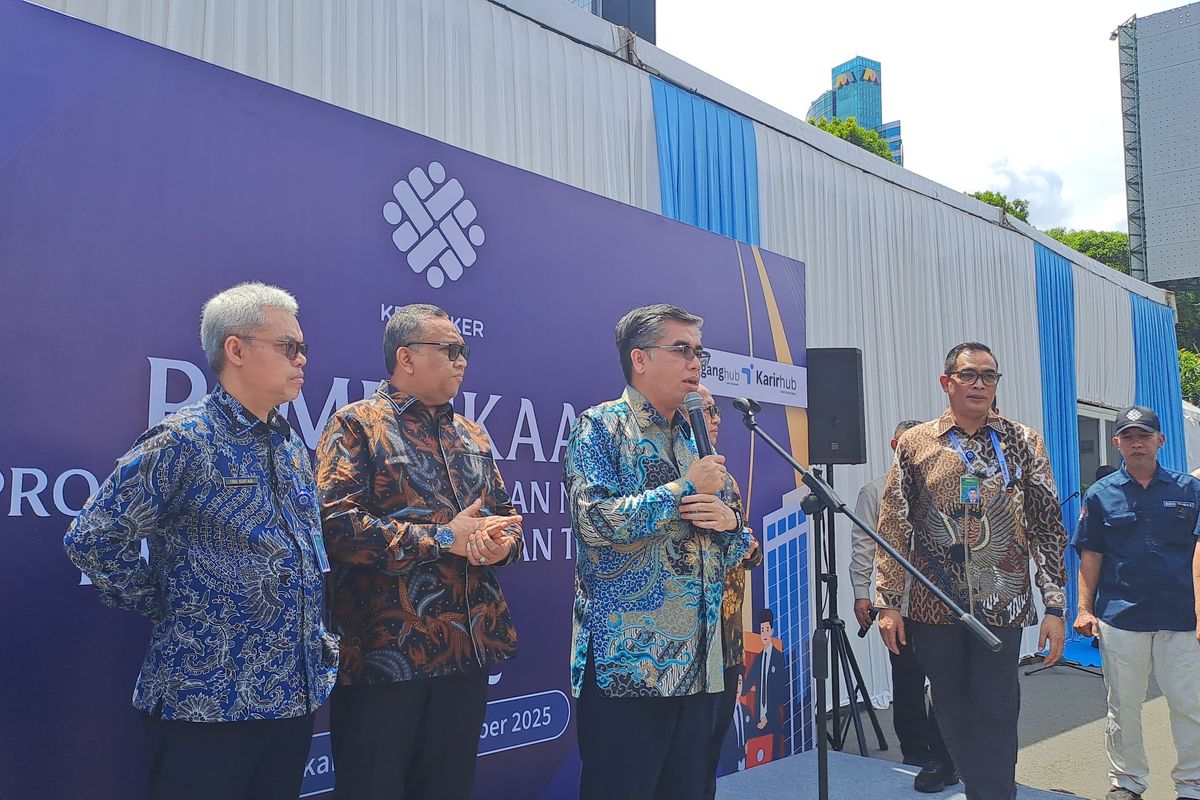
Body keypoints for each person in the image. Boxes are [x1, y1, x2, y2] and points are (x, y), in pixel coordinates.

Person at [64, 282, 338, 800]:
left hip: (288, 700)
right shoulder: (185, 439)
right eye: (289, 347)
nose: (302, 360)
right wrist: (167, 603)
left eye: (303, 348)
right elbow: (94, 538)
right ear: (236, 349)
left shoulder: (294, 449)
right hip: (206, 701)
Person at [315, 303, 523, 800]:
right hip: (386, 656)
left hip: (466, 652)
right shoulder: (356, 425)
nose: (462, 361)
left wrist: (499, 544)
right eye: (449, 350)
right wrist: (443, 538)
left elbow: (505, 515)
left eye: (464, 351)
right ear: (405, 357)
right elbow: (337, 527)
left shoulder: (473, 433)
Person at [564, 303, 751, 800]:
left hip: (703, 666)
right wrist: (682, 491)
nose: (696, 363)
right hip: (631, 669)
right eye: (682, 350)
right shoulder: (601, 427)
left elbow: (738, 548)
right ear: (640, 359)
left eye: (699, 352)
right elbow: (594, 522)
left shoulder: (697, 437)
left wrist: (732, 526)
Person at [875, 341, 1068, 800]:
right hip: (932, 603)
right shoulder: (917, 443)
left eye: (989, 375)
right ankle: (979, 786)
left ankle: (995, 792)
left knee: (997, 706)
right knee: (951, 705)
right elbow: (894, 524)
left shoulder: (1023, 441)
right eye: (969, 375)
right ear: (947, 383)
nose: (980, 384)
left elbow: (1046, 526)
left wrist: (1055, 605)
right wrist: (888, 601)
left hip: (1003, 599)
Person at [1072, 405, 1200, 800]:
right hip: (1122, 616)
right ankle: (1127, 783)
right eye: (1128, 436)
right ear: (1117, 444)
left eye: (1144, 435)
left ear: (1160, 441)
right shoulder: (1099, 495)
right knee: (1123, 706)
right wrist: (1083, 608)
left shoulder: (1190, 490)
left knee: (1189, 705)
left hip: (1180, 617)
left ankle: (1192, 784)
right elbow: (1090, 554)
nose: (1137, 443)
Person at [850, 419, 956, 792]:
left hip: (943, 605)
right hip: (898, 605)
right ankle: (914, 752)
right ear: (896, 444)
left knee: (945, 683)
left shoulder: (945, 488)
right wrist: (864, 593)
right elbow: (864, 546)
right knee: (908, 680)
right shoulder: (874, 491)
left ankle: (946, 754)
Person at [694, 383, 762, 798]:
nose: (716, 419)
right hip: (687, 646)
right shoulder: (672, 473)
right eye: (707, 410)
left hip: (728, 641)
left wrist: (733, 527)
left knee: (708, 755)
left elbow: (749, 552)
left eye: (717, 410)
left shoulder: (727, 481)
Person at [743, 608, 787, 757]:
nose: (764, 633)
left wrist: (767, 716)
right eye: (762, 630)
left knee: (774, 756)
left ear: (772, 631)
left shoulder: (778, 657)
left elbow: (781, 691)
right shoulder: (758, 659)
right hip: (758, 719)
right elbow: (747, 684)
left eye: (767, 629)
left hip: (772, 718)